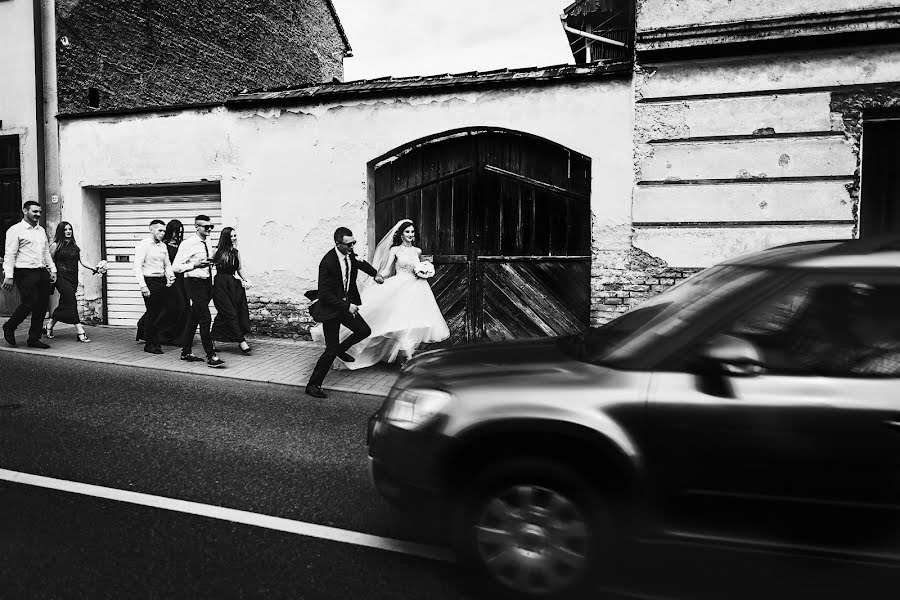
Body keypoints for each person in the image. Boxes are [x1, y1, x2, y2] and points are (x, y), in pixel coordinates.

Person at [313, 219, 449, 369]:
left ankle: (407, 358)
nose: (410, 234)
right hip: (399, 289)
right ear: (401, 235)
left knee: (412, 323)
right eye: (407, 232)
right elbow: (386, 269)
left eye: (412, 231)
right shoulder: (395, 250)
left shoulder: (418, 251)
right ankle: (406, 360)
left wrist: (425, 271)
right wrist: (379, 277)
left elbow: (362, 263)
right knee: (396, 323)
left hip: (418, 290)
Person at [305, 226, 384, 398]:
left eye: (354, 243)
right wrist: (346, 306)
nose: (352, 247)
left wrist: (375, 274)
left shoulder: (350, 254)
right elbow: (325, 294)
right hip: (331, 309)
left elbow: (360, 263)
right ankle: (313, 385)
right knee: (330, 350)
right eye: (348, 244)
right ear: (338, 243)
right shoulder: (327, 263)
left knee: (364, 330)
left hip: (345, 305)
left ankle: (341, 349)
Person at [2, 201, 57, 349]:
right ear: (25, 211)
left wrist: (52, 270)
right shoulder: (15, 230)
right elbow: (10, 254)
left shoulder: (40, 230)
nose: (38, 214)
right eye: (35, 211)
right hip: (24, 272)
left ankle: (34, 338)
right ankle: (9, 326)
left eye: (39, 212)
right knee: (29, 303)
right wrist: (9, 275)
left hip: (41, 272)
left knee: (41, 306)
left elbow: (46, 252)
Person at [172, 215, 224, 368]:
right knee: (205, 318)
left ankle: (186, 351)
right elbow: (175, 267)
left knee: (194, 318)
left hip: (207, 283)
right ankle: (211, 355)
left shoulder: (207, 241)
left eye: (210, 227)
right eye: (205, 227)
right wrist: (194, 265)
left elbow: (206, 262)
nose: (209, 229)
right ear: (196, 227)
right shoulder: (188, 243)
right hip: (194, 283)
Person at [44, 221, 99, 343]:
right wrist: (51, 275)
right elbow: (48, 261)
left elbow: (83, 261)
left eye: (70, 229)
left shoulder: (75, 247)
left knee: (65, 303)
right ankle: (80, 331)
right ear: (60, 232)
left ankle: (49, 326)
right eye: (65, 230)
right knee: (72, 302)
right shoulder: (55, 246)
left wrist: (94, 268)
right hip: (61, 279)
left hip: (73, 279)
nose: (68, 231)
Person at [133, 219, 175, 354]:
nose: (162, 233)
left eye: (164, 231)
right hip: (149, 281)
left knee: (160, 312)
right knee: (152, 313)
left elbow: (167, 264)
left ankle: (155, 340)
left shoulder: (163, 246)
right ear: (151, 230)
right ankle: (149, 343)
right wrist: (143, 286)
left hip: (161, 281)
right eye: (160, 231)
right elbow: (137, 266)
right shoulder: (143, 245)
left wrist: (170, 276)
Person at [211, 227, 253, 354]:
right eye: (231, 236)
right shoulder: (216, 251)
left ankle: (211, 338)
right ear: (225, 237)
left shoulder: (236, 252)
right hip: (220, 284)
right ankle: (241, 342)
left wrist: (246, 280)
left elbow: (239, 268)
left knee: (226, 313)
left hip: (233, 284)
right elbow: (207, 265)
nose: (234, 238)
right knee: (230, 313)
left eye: (235, 235)